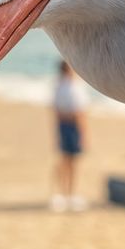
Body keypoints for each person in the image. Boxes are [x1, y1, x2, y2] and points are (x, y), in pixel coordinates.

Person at [52, 59, 89, 211]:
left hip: (64, 124)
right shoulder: (74, 86)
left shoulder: (59, 86)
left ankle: (65, 194)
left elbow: (56, 111)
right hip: (72, 125)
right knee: (70, 162)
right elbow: (80, 113)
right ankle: (67, 194)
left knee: (66, 160)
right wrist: (84, 134)